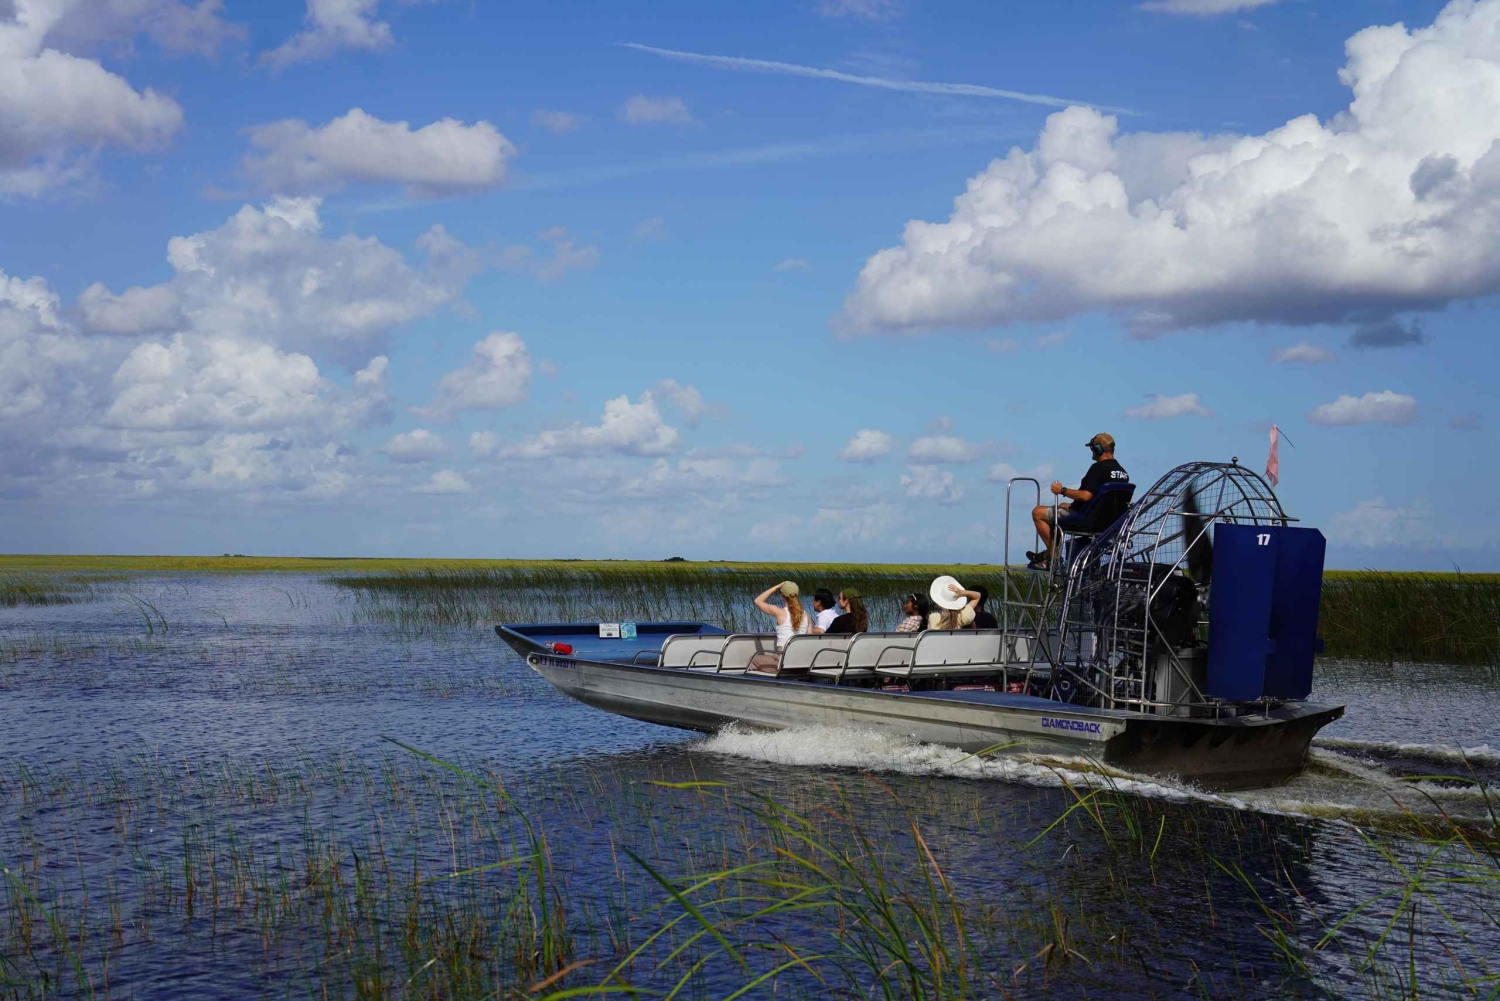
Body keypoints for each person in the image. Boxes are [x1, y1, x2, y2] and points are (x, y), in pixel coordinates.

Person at [1028, 432, 1129, 570]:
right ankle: (1048, 554)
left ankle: (1053, 558)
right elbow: (1102, 501)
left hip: (1088, 521)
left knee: (1038, 512)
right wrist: (1073, 505)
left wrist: (1062, 490)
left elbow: (1086, 496)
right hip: (1109, 523)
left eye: (1092, 448)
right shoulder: (1123, 473)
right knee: (1062, 506)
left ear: (1098, 449)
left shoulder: (1098, 468)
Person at [750, 581, 809, 671]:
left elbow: (757, 601)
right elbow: (809, 638)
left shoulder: (780, 612)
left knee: (752, 660)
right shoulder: (806, 616)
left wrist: (776, 587)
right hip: (801, 662)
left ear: (782, 595)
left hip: (782, 663)